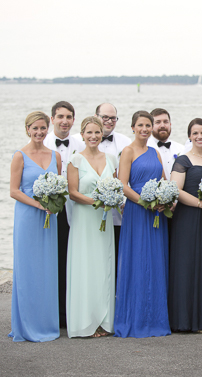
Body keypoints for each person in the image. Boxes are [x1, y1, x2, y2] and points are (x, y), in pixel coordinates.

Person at [114, 111, 170, 338]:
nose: (145, 129)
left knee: (156, 262)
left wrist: (165, 199)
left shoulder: (155, 152)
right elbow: (122, 185)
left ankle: (155, 318)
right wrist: (144, 202)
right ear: (133, 128)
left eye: (149, 125)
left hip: (156, 213)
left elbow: (164, 181)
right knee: (137, 261)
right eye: (141, 125)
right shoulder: (127, 151)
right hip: (138, 213)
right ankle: (135, 318)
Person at [9, 111, 61, 342]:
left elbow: (59, 187)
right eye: (35, 128)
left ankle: (47, 323)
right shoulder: (20, 155)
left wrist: (53, 204)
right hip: (28, 218)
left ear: (47, 129)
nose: (39, 132)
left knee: (47, 269)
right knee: (28, 269)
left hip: (50, 218)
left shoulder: (55, 156)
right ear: (27, 129)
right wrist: (39, 206)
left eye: (42, 128)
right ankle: (26, 325)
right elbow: (14, 191)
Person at [168, 118, 202, 333]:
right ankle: (183, 320)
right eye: (195, 133)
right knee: (186, 266)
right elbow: (176, 190)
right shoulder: (183, 160)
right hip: (187, 219)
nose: (199, 136)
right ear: (189, 136)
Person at [65, 116, 117, 338]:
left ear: (102, 133)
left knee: (103, 268)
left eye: (97, 132)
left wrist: (111, 200)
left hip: (104, 221)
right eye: (89, 133)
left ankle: (104, 321)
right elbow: (73, 193)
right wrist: (98, 201)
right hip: (84, 220)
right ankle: (85, 321)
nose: (94, 136)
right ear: (83, 135)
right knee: (85, 268)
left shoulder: (112, 158)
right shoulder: (74, 160)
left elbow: (115, 186)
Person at [43, 101, 85, 328]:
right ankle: (54, 313)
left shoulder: (81, 143)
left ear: (73, 120)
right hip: (53, 212)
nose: (64, 121)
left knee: (74, 262)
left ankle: (72, 311)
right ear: (52, 119)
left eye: (69, 117)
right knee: (55, 261)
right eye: (60, 116)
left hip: (78, 211)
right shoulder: (44, 143)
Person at [92, 103, 132, 279]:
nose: (109, 121)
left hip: (119, 214)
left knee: (117, 260)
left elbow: (129, 177)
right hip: (90, 211)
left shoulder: (125, 142)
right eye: (104, 117)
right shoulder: (82, 140)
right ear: (96, 116)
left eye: (113, 118)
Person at [147, 108, 184, 180]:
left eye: (165, 122)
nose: (162, 125)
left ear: (170, 124)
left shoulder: (182, 149)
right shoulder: (145, 148)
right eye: (158, 122)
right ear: (151, 126)